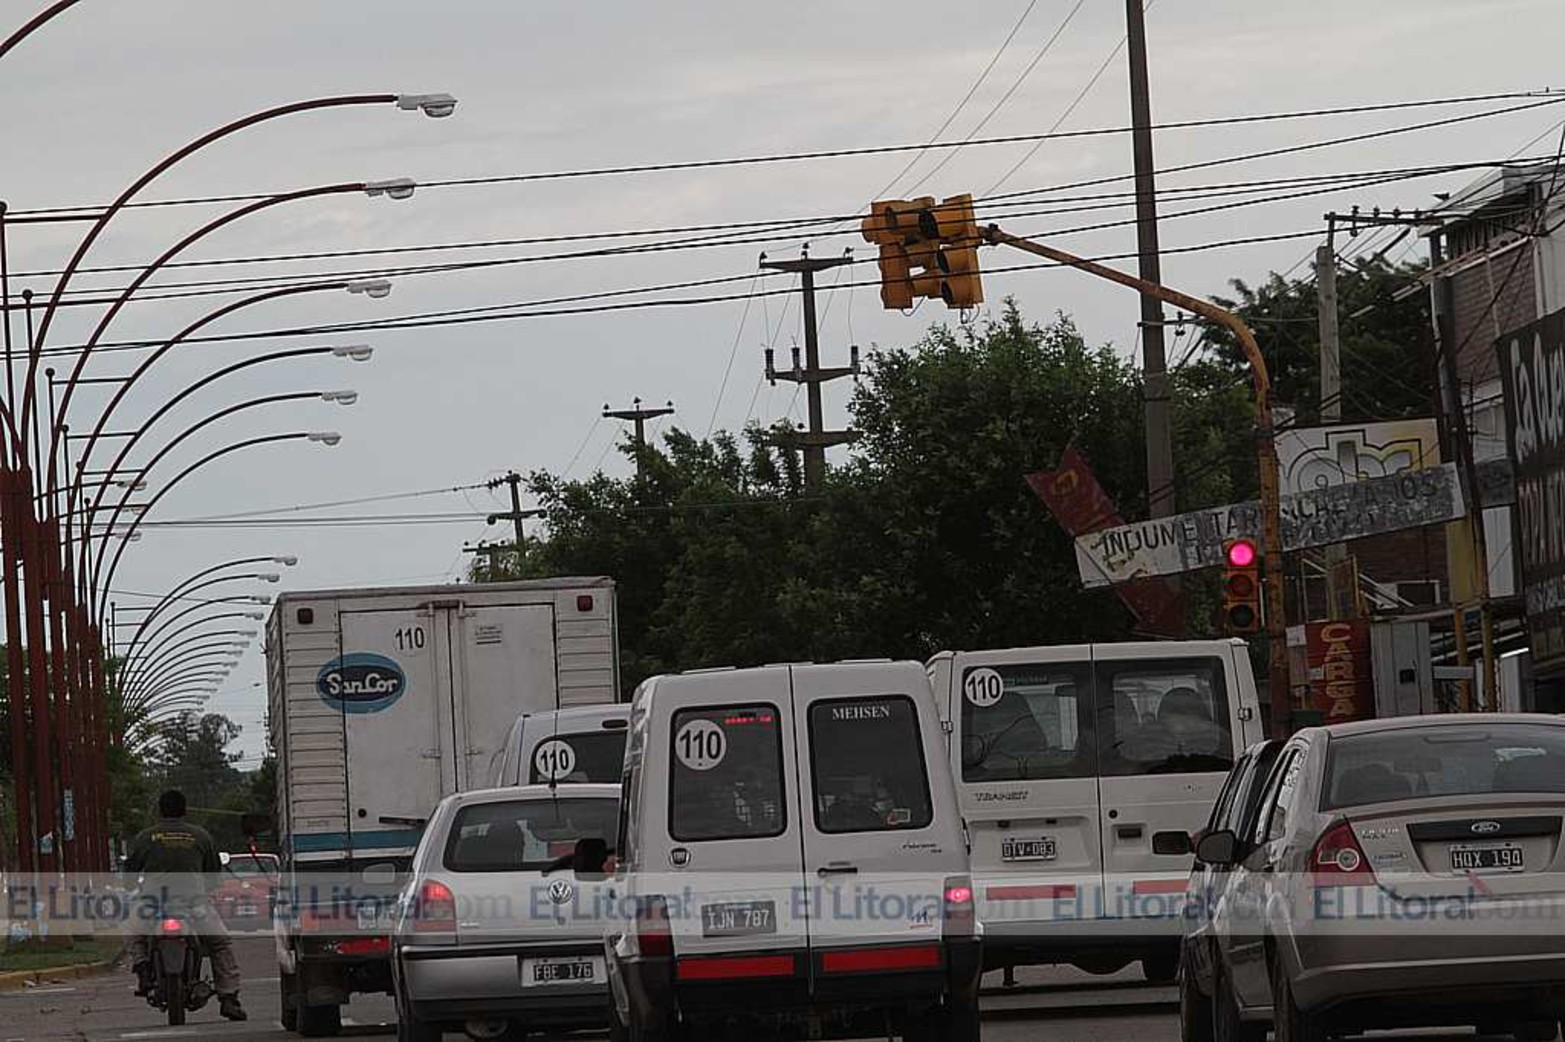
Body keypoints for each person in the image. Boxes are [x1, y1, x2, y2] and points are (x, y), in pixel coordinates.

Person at [124, 790, 246, 1022]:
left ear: (160, 811)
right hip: (194, 904)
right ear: (185, 810)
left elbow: (130, 873)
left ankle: (142, 969)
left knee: (133, 933)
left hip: (153, 905)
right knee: (220, 944)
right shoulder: (201, 836)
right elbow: (213, 876)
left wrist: (131, 886)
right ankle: (229, 998)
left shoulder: (145, 837)